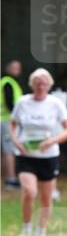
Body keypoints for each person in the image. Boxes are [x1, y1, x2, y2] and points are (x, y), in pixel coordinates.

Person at [10, 68, 67, 236]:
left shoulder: (55, 104)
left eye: (44, 84)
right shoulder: (22, 102)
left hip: (48, 156)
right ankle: (25, 229)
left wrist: (53, 141)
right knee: (29, 191)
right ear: (32, 85)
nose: (40, 87)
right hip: (26, 154)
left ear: (49, 85)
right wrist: (16, 141)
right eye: (37, 84)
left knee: (46, 197)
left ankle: (41, 233)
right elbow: (13, 125)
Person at [1, 59, 23, 188]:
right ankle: (10, 179)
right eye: (14, 67)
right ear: (7, 68)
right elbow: (10, 103)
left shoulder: (6, 82)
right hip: (6, 120)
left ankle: (6, 178)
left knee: (4, 151)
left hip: (3, 119)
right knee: (9, 150)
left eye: (18, 67)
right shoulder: (8, 83)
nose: (17, 69)